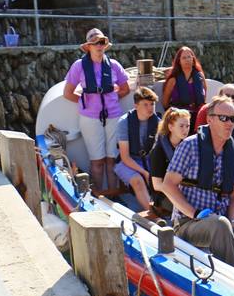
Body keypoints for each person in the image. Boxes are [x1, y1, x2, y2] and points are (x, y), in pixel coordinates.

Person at [163, 95, 234, 278]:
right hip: (189, 222)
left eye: (233, 119)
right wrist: (193, 213)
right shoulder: (190, 146)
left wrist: (232, 221)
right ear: (209, 119)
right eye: (223, 118)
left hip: (223, 216)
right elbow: (168, 185)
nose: (229, 123)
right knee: (220, 224)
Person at [63, 28, 130, 194]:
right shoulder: (79, 66)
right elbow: (67, 93)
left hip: (113, 116)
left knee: (112, 159)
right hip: (90, 118)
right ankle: (99, 195)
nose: (98, 46)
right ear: (89, 47)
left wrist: (112, 98)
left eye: (101, 42)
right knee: (97, 160)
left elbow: (125, 89)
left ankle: (113, 195)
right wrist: (85, 102)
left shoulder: (114, 65)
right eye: (95, 43)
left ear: (105, 45)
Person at [194, 84, 234, 186]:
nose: (230, 98)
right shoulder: (207, 110)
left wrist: (232, 152)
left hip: (230, 147)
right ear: (220, 95)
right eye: (227, 95)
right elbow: (200, 134)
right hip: (207, 147)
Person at [114, 87, 161, 212]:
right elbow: (125, 157)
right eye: (145, 104)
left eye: (152, 104)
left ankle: (167, 209)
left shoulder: (158, 122)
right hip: (127, 161)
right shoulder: (124, 122)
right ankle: (153, 215)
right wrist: (145, 173)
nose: (150, 108)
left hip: (149, 160)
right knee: (138, 180)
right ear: (136, 105)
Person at [150, 107, 191, 216]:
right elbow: (157, 185)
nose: (185, 130)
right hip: (164, 196)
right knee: (189, 208)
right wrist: (177, 193)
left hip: (185, 190)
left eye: (187, 126)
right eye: (181, 126)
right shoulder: (159, 151)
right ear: (171, 127)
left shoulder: (188, 147)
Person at [162, 46, 207, 133]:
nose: (187, 60)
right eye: (184, 58)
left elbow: (204, 97)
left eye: (189, 57)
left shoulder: (200, 77)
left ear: (193, 59)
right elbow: (165, 102)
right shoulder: (173, 80)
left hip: (197, 116)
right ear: (179, 61)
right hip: (179, 117)